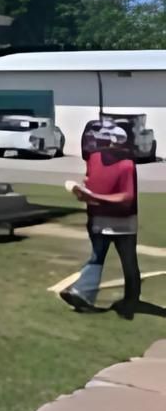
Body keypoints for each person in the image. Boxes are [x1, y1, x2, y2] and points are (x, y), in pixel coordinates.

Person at [60, 120, 141, 316]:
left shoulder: (127, 166)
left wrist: (94, 197)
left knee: (128, 262)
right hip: (98, 219)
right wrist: (84, 189)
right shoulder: (94, 159)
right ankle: (82, 294)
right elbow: (91, 180)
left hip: (123, 224)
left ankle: (131, 300)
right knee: (96, 257)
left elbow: (127, 198)